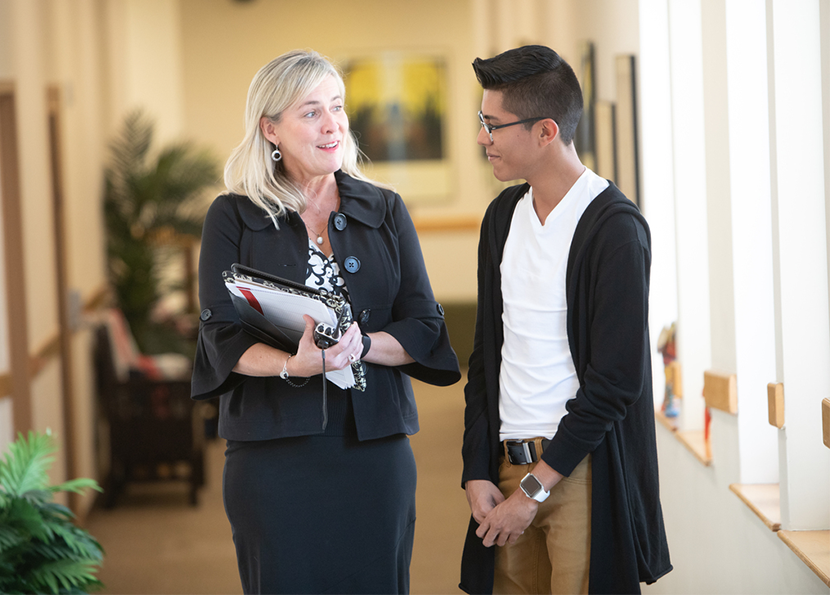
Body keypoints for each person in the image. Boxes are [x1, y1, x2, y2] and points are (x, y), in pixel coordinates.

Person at [192, 49, 461, 595]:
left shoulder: (385, 209)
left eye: (337, 107)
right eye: (311, 111)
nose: (332, 123)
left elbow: (425, 328)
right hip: (272, 457)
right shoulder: (233, 216)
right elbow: (220, 335)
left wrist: (360, 349)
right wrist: (295, 365)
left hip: (374, 452)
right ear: (271, 128)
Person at [459, 45, 672, 595]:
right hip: (505, 464)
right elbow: (487, 354)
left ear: (546, 131)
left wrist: (534, 490)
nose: (482, 138)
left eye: (493, 124)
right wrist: (476, 468)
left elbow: (617, 380)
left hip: (578, 471)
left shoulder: (615, 228)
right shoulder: (502, 217)